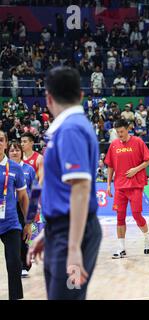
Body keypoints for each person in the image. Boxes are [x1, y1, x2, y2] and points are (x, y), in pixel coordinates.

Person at [27, 66, 101, 300]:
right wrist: (48, 233)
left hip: (71, 235)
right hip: (60, 231)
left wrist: (73, 248)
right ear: (81, 95)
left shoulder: (70, 129)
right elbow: (62, 188)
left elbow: (80, 187)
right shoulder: (68, 128)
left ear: (48, 98)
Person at [104, 119, 149, 259]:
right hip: (120, 186)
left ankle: (147, 238)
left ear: (128, 129)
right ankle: (121, 248)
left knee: (137, 215)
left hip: (135, 185)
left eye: (122, 131)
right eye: (117, 132)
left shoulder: (138, 142)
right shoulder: (113, 145)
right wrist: (108, 184)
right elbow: (110, 166)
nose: (120, 134)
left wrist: (136, 169)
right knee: (120, 217)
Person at [0, 131, 30, 300]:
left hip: (10, 222)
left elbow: (23, 197)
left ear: (5, 143)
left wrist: (28, 223)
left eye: (1, 140)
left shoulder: (15, 168)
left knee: (14, 263)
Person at [7, 141, 36, 278]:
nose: (14, 152)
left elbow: (34, 189)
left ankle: (25, 265)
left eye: (17, 150)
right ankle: (19, 264)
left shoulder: (29, 169)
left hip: (24, 206)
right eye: (12, 150)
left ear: (21, 152)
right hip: (9, 206)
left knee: (23, 236)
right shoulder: (5, 168)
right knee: (14, 237)